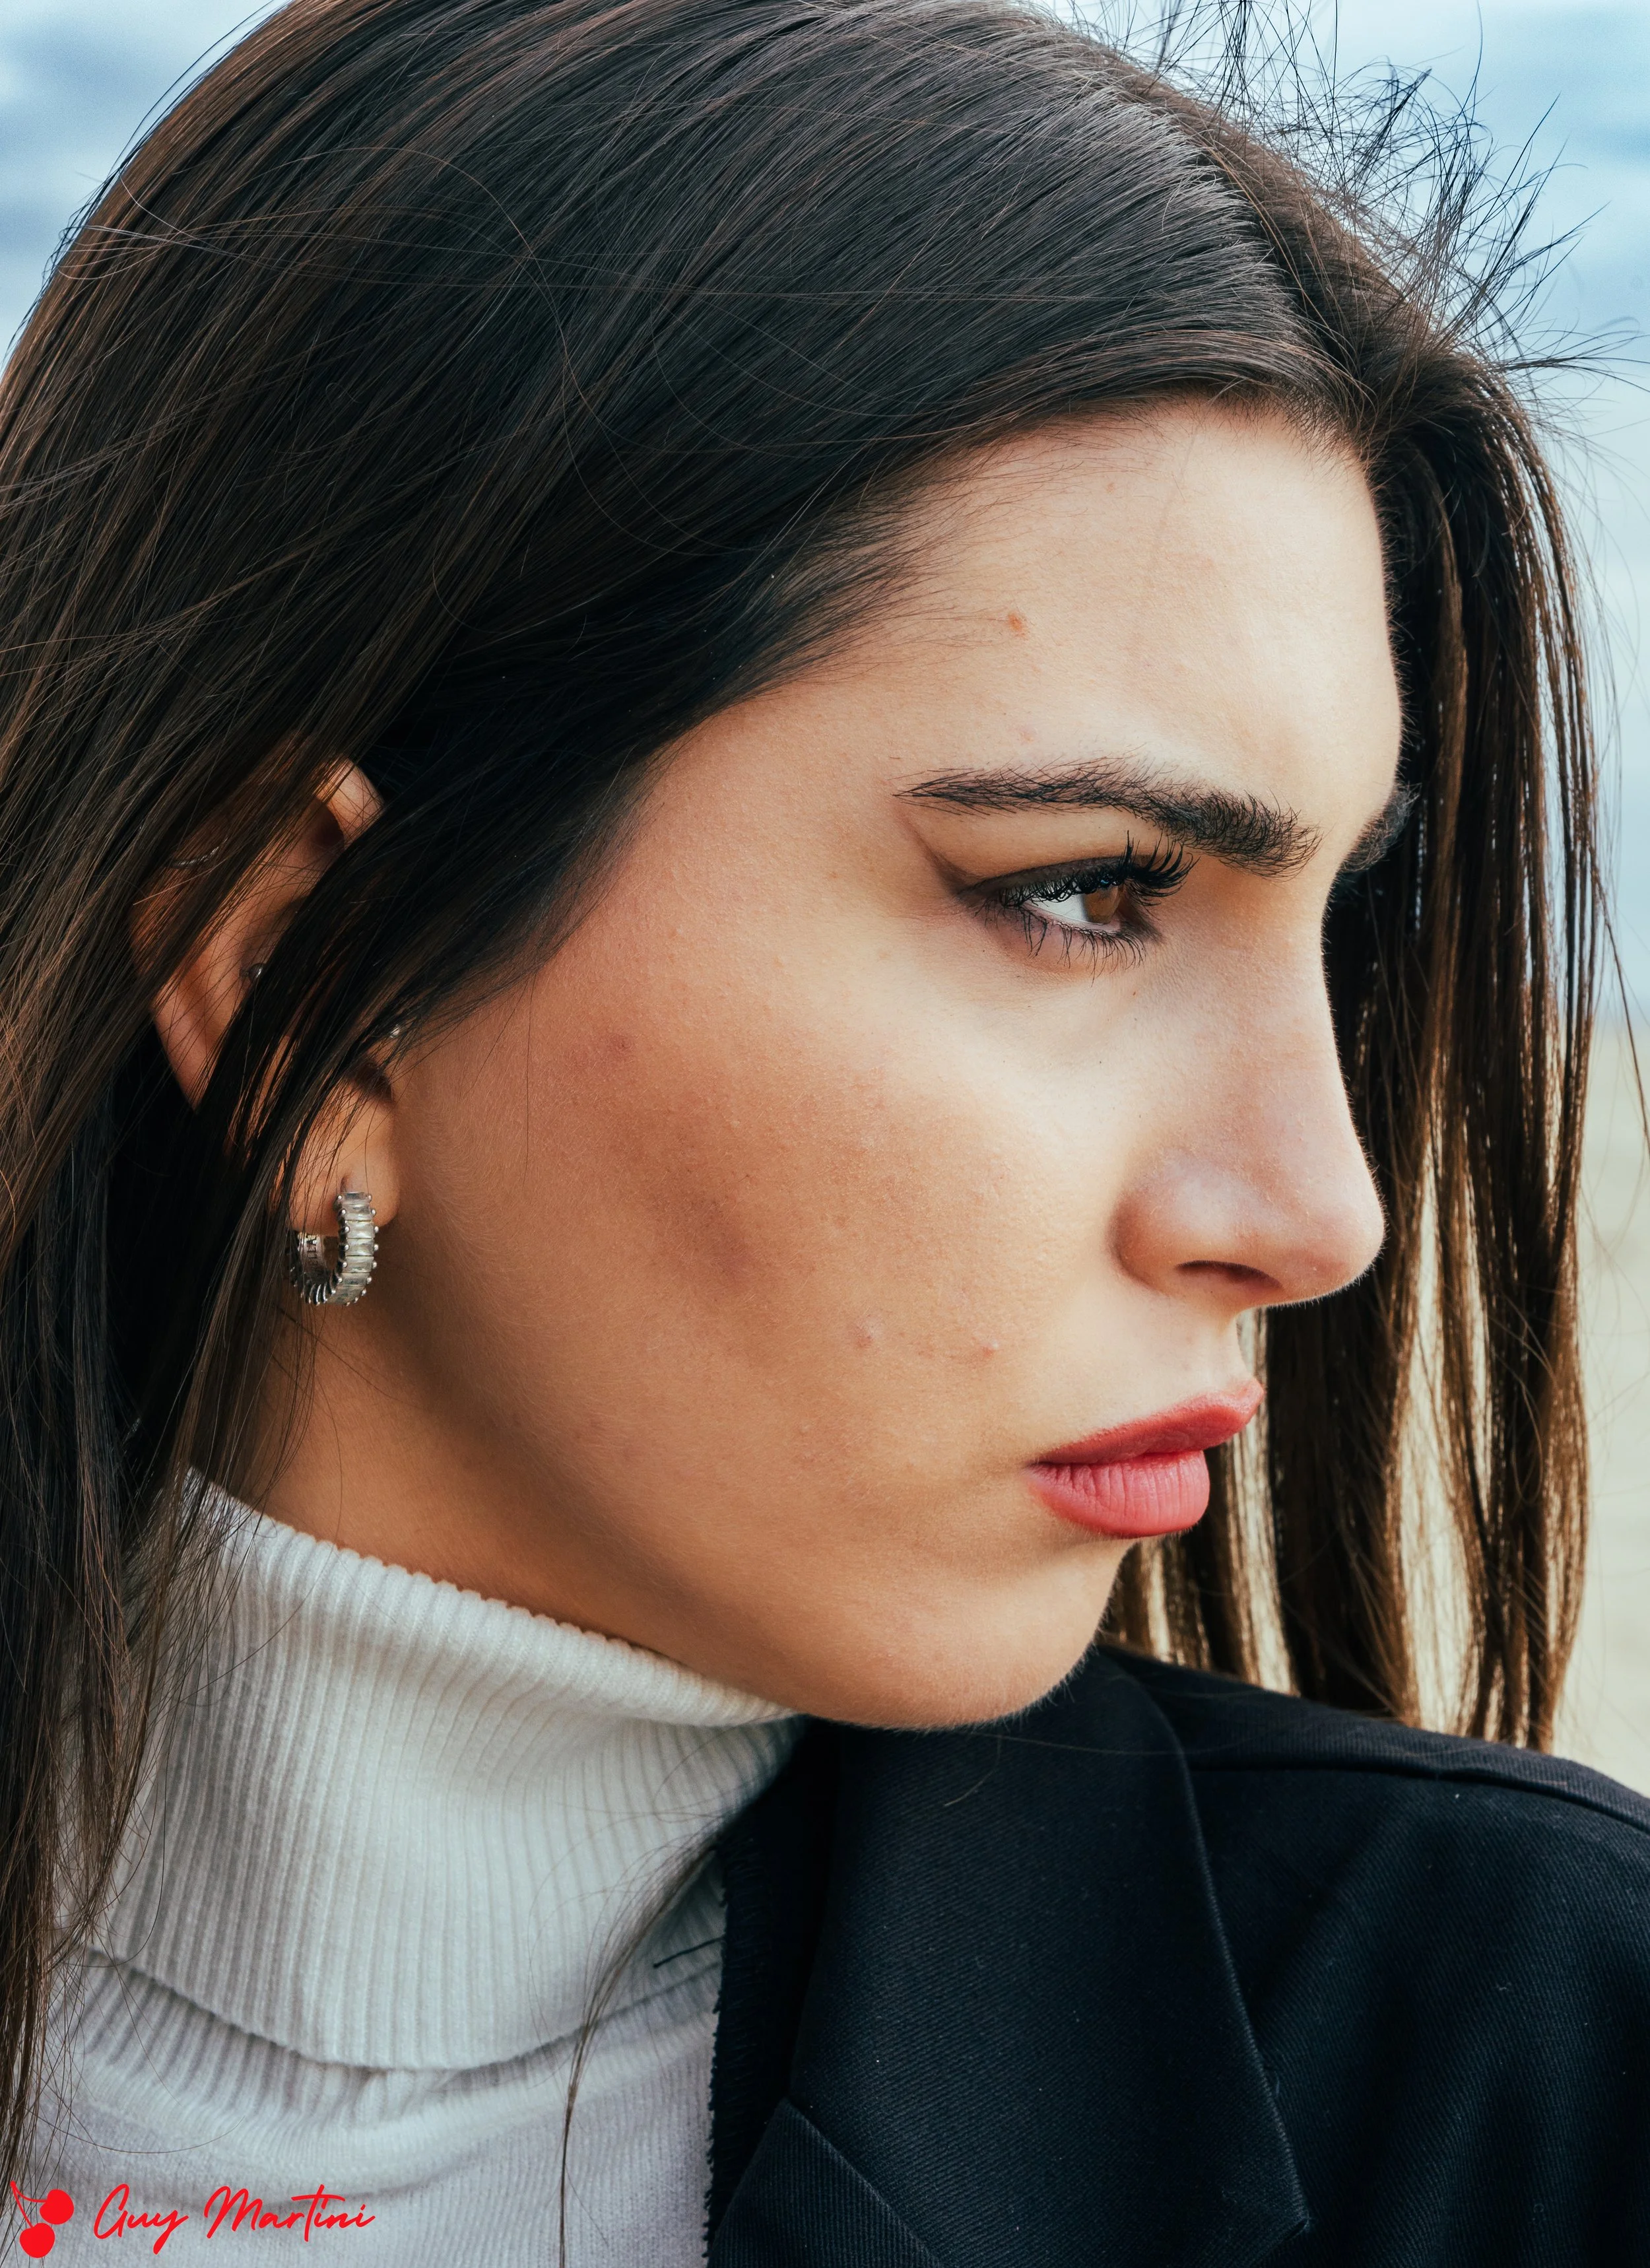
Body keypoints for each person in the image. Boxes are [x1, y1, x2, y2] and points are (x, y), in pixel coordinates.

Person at [1, 0, 1645, 2259]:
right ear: (301, 964)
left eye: (1331, 923)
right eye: (1084, 893)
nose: (1318, 1211)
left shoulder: (1530, 2091)